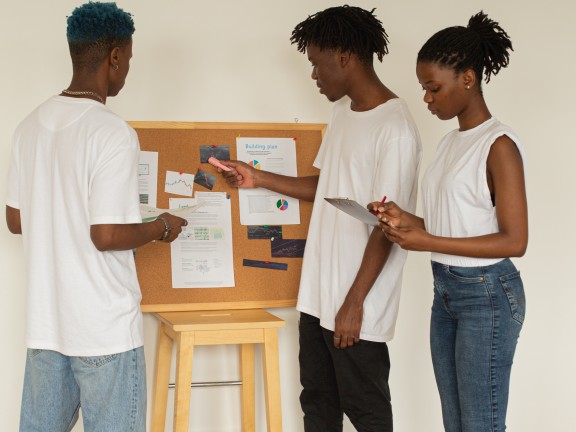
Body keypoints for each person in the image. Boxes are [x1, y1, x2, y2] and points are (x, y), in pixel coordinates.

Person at [218, 6, 422, 431]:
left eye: (315, 63)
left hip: (357, 307)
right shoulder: (343, 113)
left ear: (344, 57)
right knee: (318, 408)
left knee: (367, 414)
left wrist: (353, 303)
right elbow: (328, 186)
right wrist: (258, 177)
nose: (313, 75)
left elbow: (390, 228)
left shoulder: (396, 129)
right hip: (317, 298)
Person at [5, 3, 187, 431]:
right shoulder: (112, 132)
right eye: (129, 60)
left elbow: (16, 219)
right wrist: (161, 226)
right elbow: (105, 234)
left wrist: (58, 212)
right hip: (104, 331)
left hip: (47, 327)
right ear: (116, 57)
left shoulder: (28, 126)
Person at [373, 11, 528, 432]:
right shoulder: (448, 145)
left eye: (433, 88)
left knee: (480, 425)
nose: (427, 99)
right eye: (424, 89)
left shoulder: (499, 145)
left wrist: (425, 239)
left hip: (488, 296)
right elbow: (458, 221)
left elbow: (514, 241)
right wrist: (408, 220)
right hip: (447, 294)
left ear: (468, 78)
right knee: (456, 424)